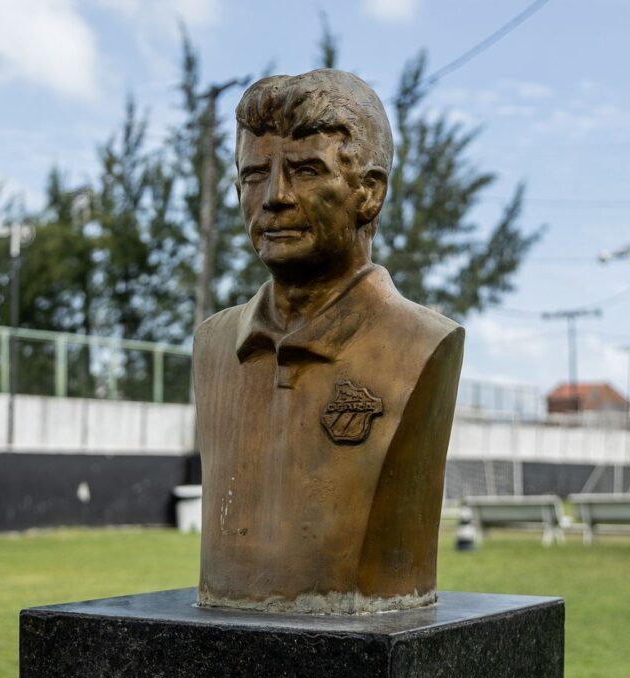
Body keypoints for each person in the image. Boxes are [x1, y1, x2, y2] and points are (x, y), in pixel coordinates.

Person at [194, 69, 464, 613]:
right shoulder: (215, 344)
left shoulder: (420, 344)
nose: (274, 197)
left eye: (305, 171)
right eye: (253, 175)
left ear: (369, 193)